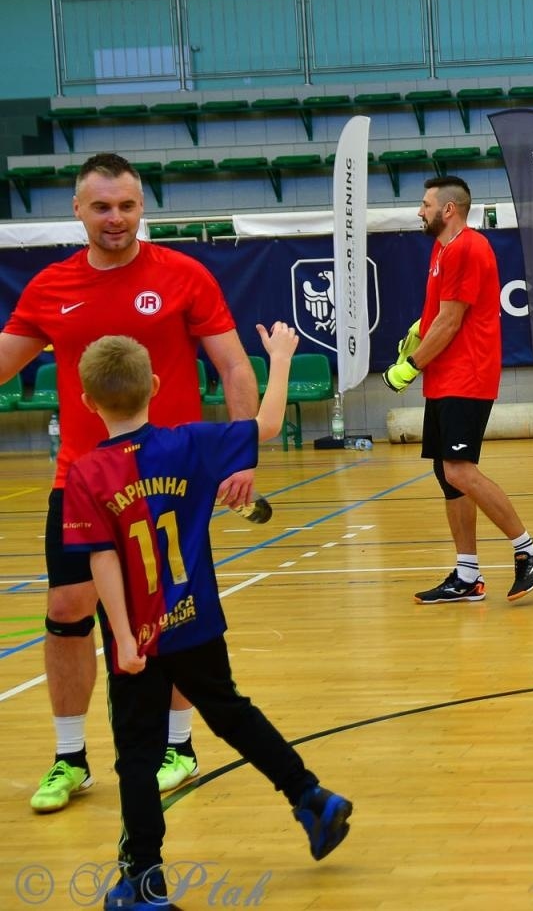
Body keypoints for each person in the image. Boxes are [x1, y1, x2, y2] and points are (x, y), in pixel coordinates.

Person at [0, 153, 264, 812]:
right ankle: (69, 758)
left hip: (168, 484)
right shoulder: (49, 287)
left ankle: (179, 746)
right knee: (66, 608)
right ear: (78, 210)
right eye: (102, 207)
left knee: (165, 615)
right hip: (83, 483)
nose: (115, 218)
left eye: (127, 206)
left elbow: (233, 368)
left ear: (141, 207)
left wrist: (241, 454)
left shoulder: (184, 275)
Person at [67, 329, 352, 910]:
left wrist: (123, 637)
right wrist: (278, 359)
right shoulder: (191, 444)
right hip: (194, 620)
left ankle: (144, 882)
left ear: (86, 401)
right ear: (154, 386)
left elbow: (102, 560)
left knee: (137, 757)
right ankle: (310, 796)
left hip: (139, 638)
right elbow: (267, 426)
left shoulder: (85, 474)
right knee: (231, 712)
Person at [383, 175, 533, 602]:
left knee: (460, 469)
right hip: (446, 377)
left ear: (448, 209)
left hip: (467, 375)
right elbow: (442, 314)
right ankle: (467, 575)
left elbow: (452, 320)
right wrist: (421, 329)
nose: (419, 211)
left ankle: (530, 551)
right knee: (448, 475)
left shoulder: (466, 247)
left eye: (425, 204)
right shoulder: (443, 249)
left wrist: (410, 365)